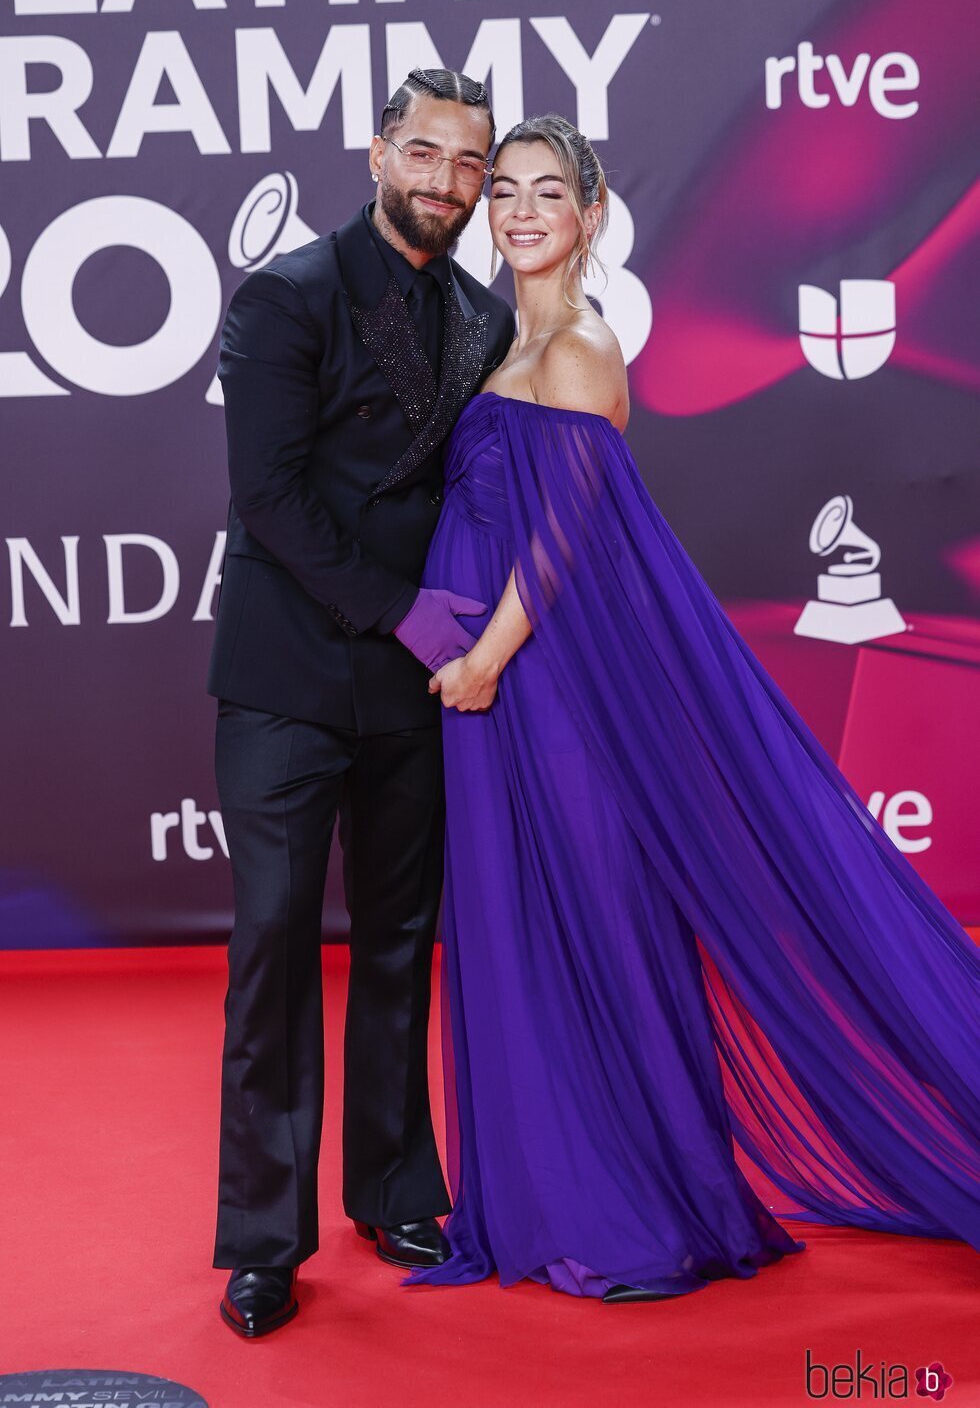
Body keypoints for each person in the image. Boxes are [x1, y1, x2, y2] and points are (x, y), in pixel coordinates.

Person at [403, 115, 980, 1303]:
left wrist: (484, 660)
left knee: (591, 917)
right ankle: (564, 1188)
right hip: (506, 684)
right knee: (530, 926)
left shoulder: (576, 347)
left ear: (591, 213)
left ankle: (629, 1207)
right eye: (500, 189)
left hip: (551, 682)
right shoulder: (510, 342)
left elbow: (559, 534)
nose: (515, 210)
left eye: (544, 191)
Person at [207, 67, 515, 1337]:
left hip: (415, 685)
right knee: (276, 943)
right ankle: (263, 1240)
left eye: (468, 167)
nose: (447, 184)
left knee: (398, 941)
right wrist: (397, 610)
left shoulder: (483, 320)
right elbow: (269, 499)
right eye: (426, 155)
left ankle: (391, 1188)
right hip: (286, 677)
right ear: (376, 151)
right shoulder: (284, 296)